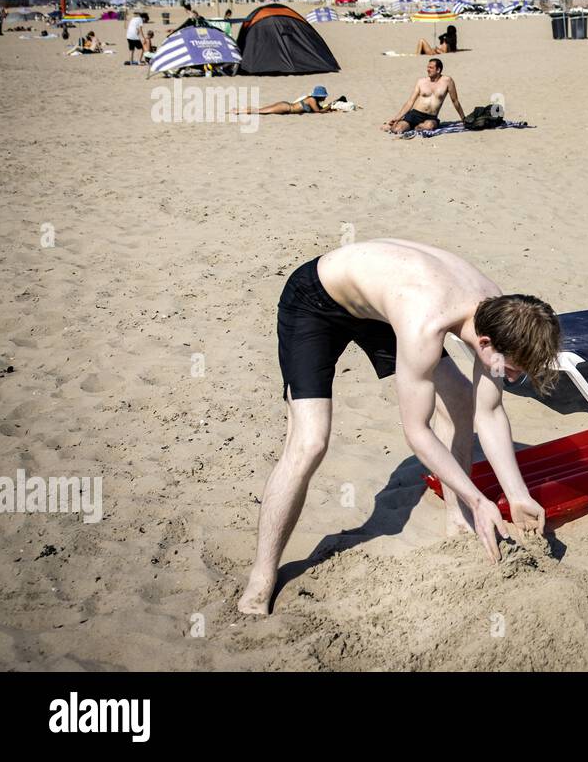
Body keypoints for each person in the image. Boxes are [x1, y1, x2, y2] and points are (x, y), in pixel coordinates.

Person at [238, 240, 562, 615]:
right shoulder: (426, 321)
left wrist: (517, 494)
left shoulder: (501, 312)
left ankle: (458, 521)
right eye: (513, 368)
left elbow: (489, 413)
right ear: (485, 342)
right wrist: (479, 498)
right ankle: (261, 578)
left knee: (459, 401)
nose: (513, 376)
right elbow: (417, 432)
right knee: (310, 441)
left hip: (383, 307)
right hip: (316, 301)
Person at [381, 58, 466, 134]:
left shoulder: (447, 81)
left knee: (429, 126)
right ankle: (394, 125)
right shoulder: (421, 81)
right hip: (415, 114)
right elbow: (410, 102)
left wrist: (463, 119)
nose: (428, 70)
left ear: (438, 70)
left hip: (431, 117)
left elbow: (455, 101)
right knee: (397, 129)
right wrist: (397, 117)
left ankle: (416, 127)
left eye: (431, 68)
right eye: (427, 67)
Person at [238, 85, 336, 115]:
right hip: (285, 108)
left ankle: (240, 110)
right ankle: (238, 111)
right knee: (260, 111)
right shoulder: (312, 100)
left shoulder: (312, 100)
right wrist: (330, 106)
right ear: (320, 96)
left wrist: (330, 108)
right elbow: (318, 112)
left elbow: (319, 109)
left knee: (261, 110)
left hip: (285, 105)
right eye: (324, 96)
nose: (325, 98)